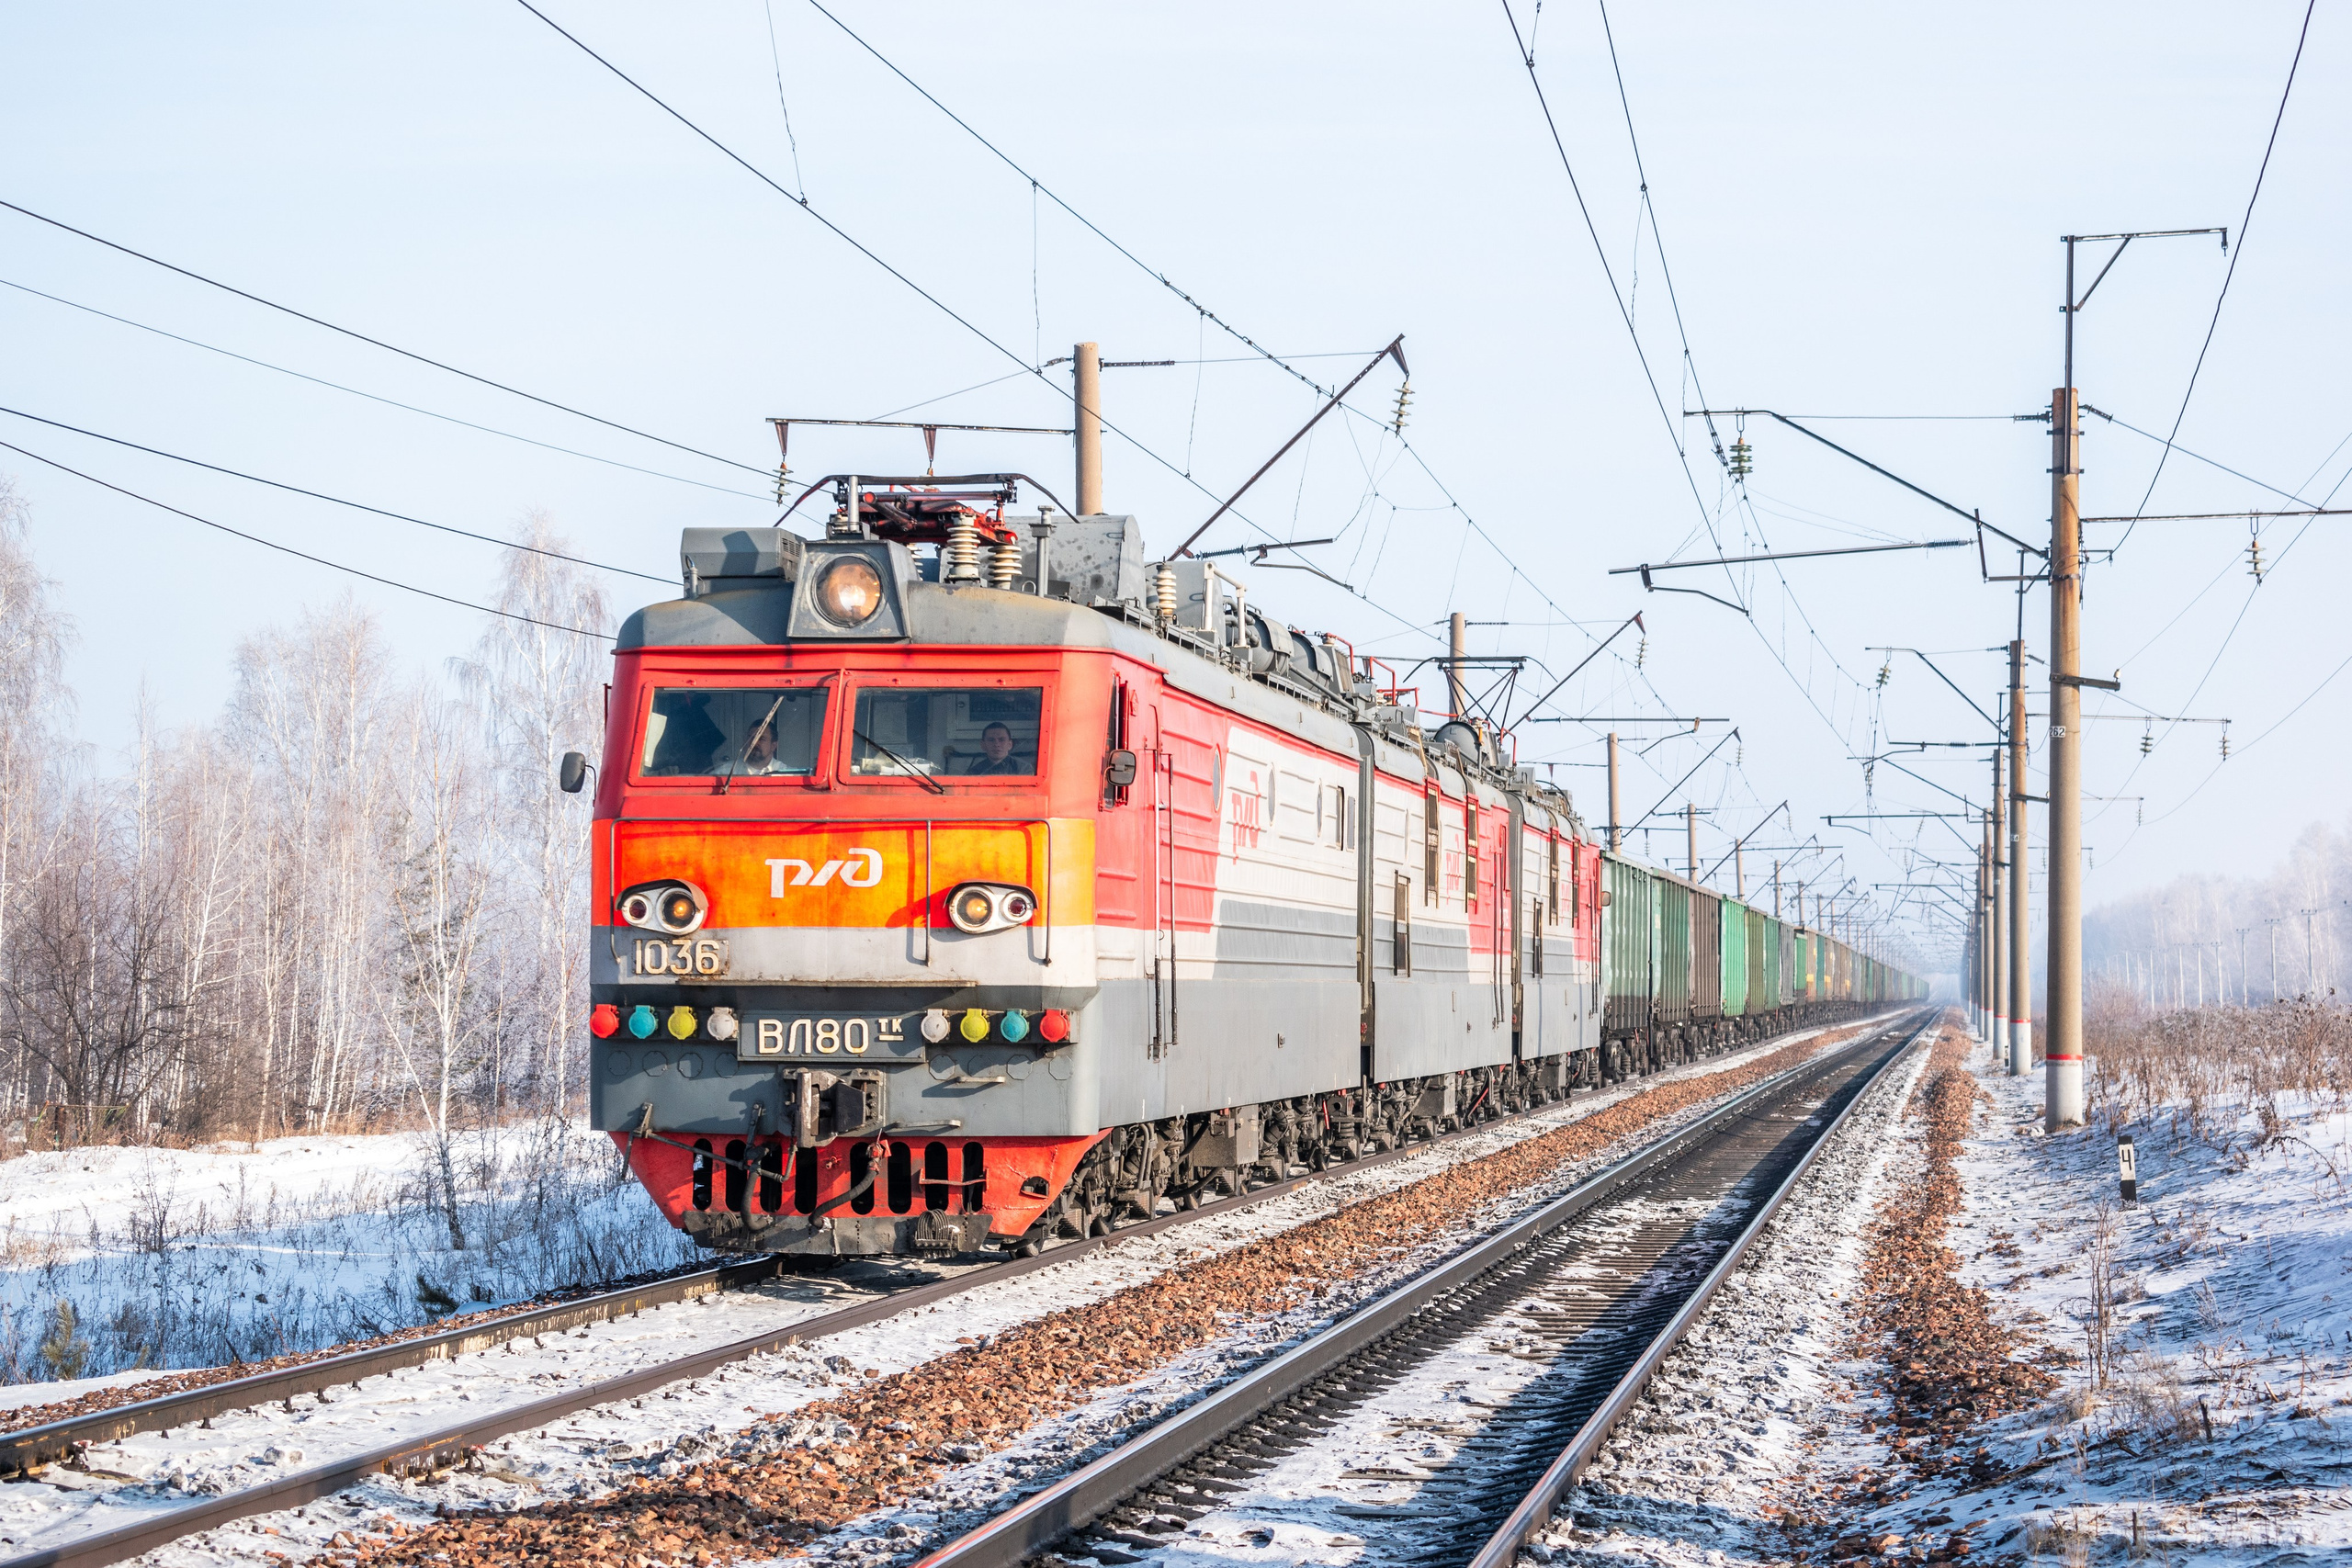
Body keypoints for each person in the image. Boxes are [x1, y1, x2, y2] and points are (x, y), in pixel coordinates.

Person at [961, 721, 1025, 775]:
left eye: (1002, 740)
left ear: (1010, 744)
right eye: (991, 740)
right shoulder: (974, 772)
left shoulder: (1023, 769)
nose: (996, 744)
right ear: (983, 745)